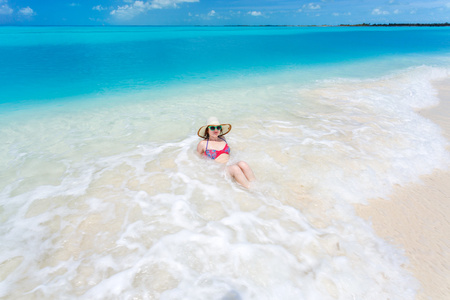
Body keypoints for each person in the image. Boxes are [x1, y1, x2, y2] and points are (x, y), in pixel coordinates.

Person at [197, 117, 255, 188]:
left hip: (229, 165)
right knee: (235, 168)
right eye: (212, 128)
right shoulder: (203, 144)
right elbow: (196, 159)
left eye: (218, 127)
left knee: (243, 164)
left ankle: (256, 185)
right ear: (207, 130)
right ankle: (251, 190)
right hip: (218, 170)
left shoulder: (222, 138)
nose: (216, 130)